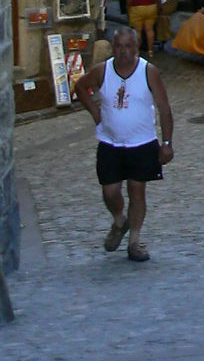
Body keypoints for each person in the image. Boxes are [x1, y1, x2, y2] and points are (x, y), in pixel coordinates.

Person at [74, 26, 174, 263]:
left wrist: (167, 143)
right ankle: (120, 221)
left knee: (137, 190)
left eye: (129, 46)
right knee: (110, 191)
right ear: (113, 48)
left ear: (136, 48)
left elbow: (164, 108)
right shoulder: (102, 71)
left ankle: (134, 241)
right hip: (110, 142)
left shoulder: (148, 72)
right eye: (119, 46)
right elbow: (80, 87)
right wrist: (95, 112)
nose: (123, 51)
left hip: (142, 142)